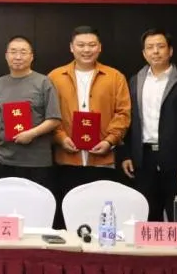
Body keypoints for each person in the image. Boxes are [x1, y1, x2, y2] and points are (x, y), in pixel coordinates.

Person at [48, 26, 130, 228]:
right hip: (66, 159)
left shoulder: (115, 77)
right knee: (67, 217)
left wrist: (110, 140)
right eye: (81, 45)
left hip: (102, 160)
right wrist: (60, 138)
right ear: (71, 47)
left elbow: (123, 113)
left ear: (99, 47)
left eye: (92, 45)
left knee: (100, 216)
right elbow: (48, 114)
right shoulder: (55, 77)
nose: (86, 50)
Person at [119, 29, 177, 221]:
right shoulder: (134, 82)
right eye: (150, 47)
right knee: (148, 220)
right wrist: (126, 154)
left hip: (176, 162)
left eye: (160, 46)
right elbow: (127, 121)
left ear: (170, 51)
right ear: (144, 53)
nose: (155, 51)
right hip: (143, 160)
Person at [0, 36, 61, 190]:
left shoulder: (43, 82)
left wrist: (32, 134)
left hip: (36, 161)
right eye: (13, 52)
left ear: (31, 57)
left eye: (23, 52)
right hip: (5, 160)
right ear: (6, 56)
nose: (18, 57)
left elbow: (54, 118)